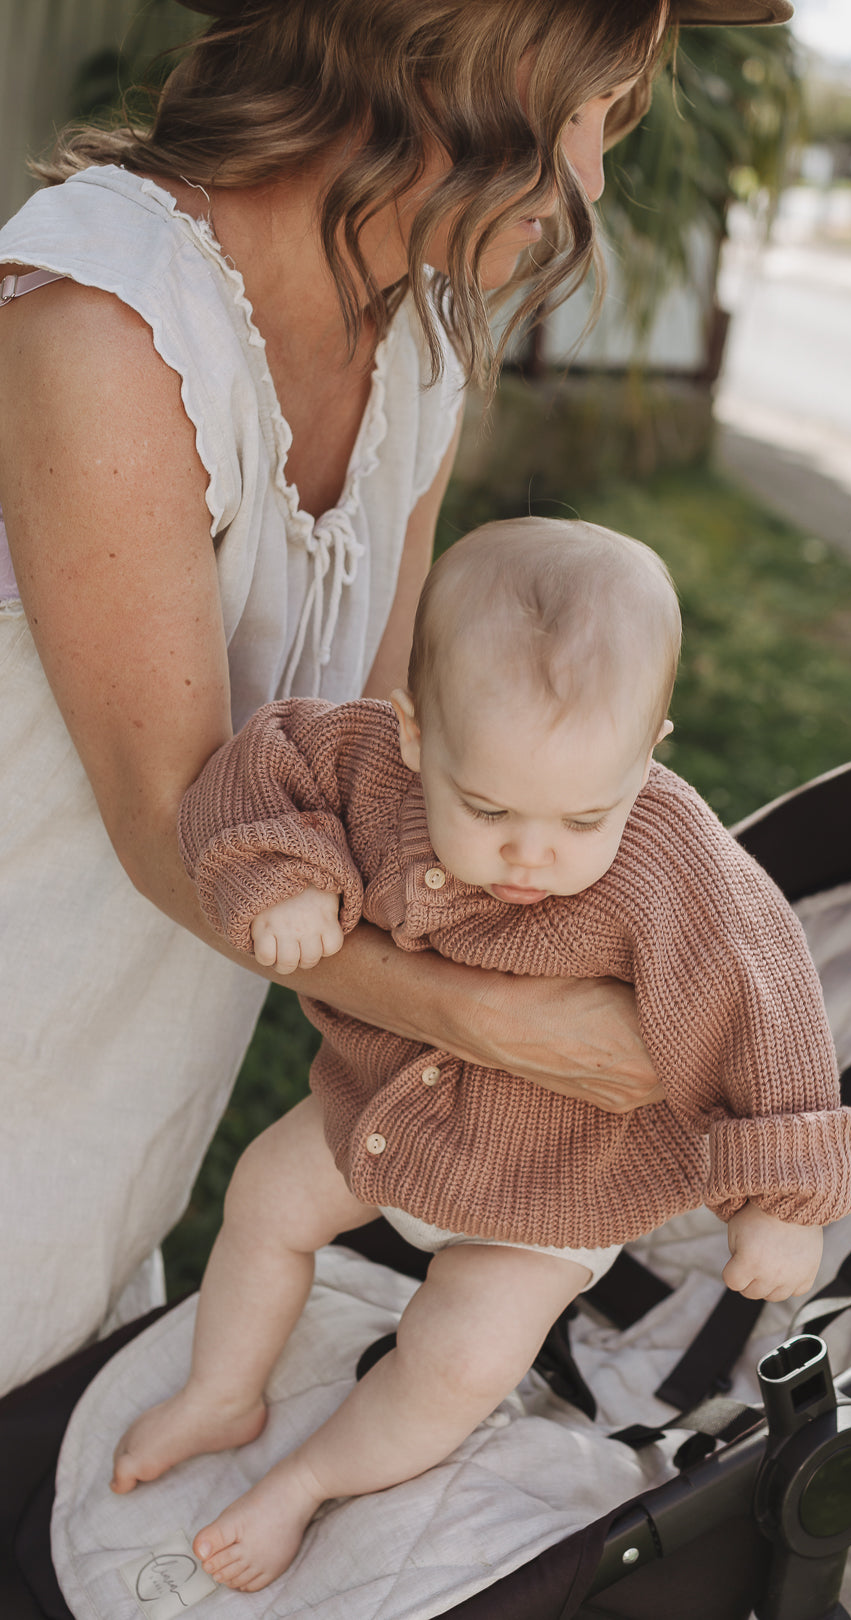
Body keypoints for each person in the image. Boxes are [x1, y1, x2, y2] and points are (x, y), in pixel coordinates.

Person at [0, 0, 708, 1399]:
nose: (592, 177)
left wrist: (624, 919)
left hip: (123, 1077)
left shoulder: (418, 347)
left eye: (611, 121)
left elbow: (377, 777)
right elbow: (176, 820)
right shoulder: (106, 317)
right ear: (432, 43)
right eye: (578, 110)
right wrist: (491, 1023)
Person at [110, 517, 851, 1593]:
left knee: (462, 1358)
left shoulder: (676, 865)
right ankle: (220, 1393)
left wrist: (785, 1200)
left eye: (584, 818)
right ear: (415, 733)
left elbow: (769, 999)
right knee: (265, 1199)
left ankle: (312, 1480)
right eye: (488, 807)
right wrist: (279, 870)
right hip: (382, 1105)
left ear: (649, 755)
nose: (531, 852)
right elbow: (259, 763)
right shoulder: (362, 759)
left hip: (559, 1186)